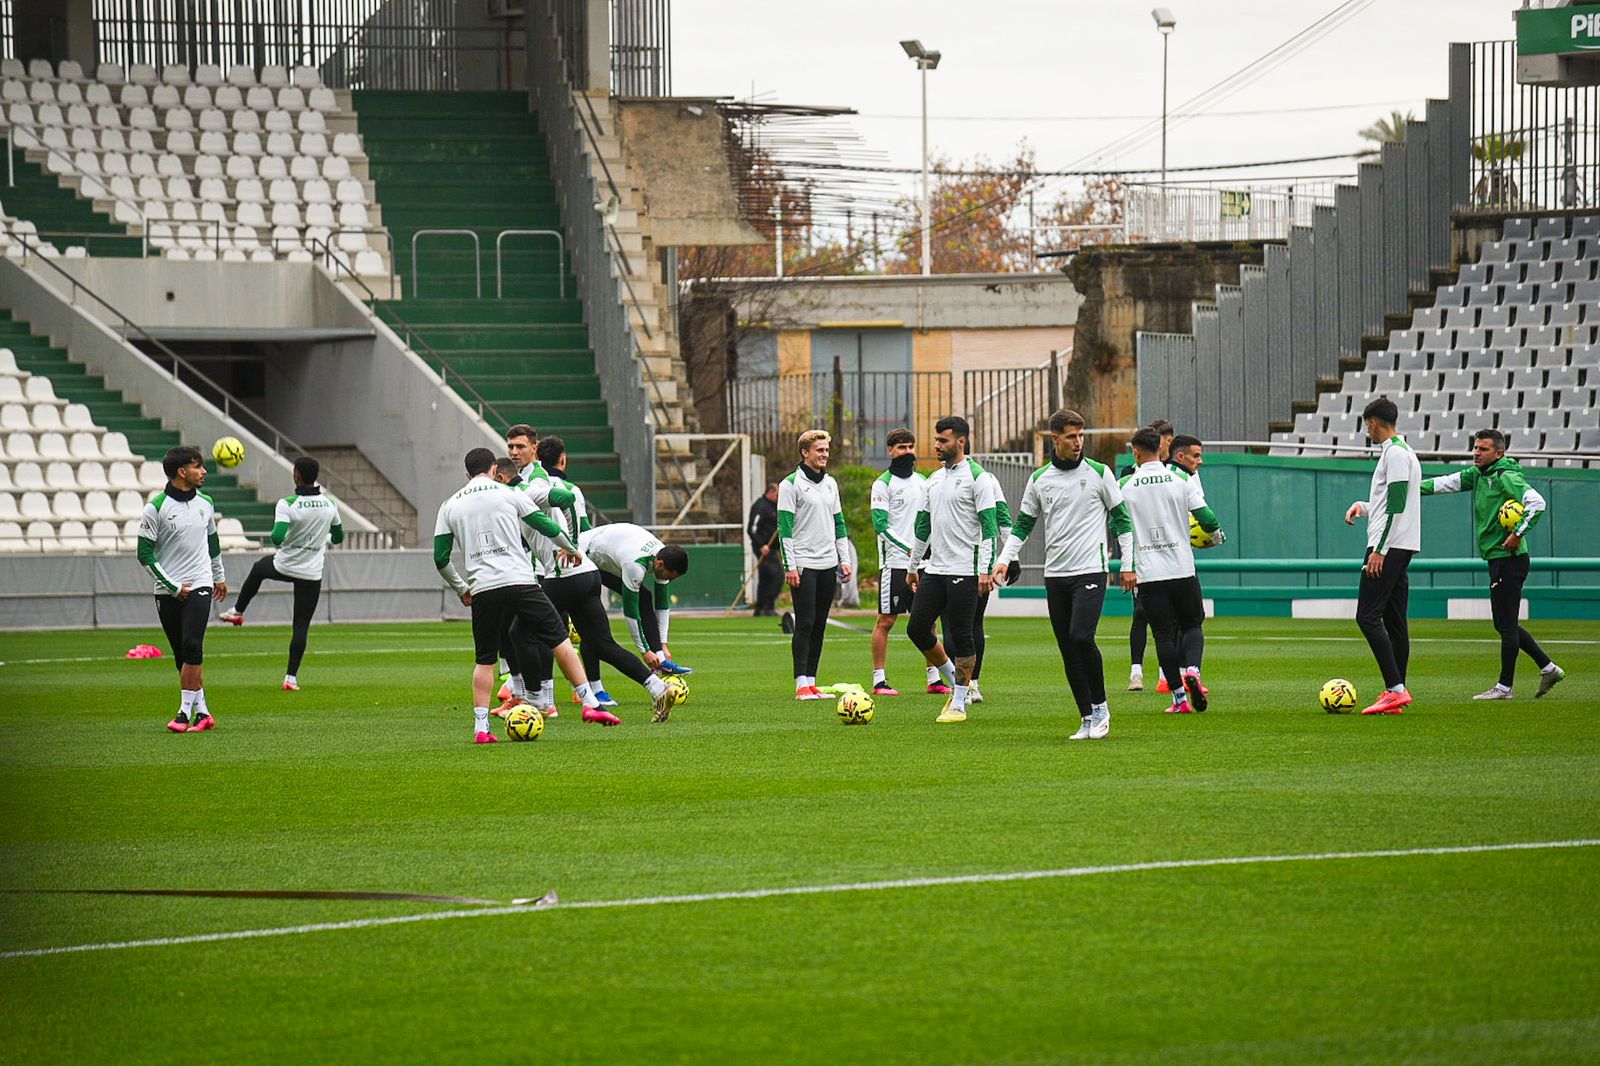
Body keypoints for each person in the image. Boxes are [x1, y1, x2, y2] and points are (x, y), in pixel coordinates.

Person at [435, 448, 647, 742]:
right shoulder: (510, 493)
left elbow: (441, 558)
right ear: (495, 470)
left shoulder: (449, 505)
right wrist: (571, 548)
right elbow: (545, 525)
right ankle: (590, 704)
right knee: (560, 639)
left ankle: (481, 728)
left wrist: (462, 588)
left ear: (467, 474)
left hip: (483, 588)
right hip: (520, 582)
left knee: (485, 660)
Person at [995, 409, 1132, 739]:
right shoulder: (1039, 479)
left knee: (1082, 636)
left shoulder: (1099, 472)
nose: (1078, 442)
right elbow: (1023, 524)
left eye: (1081, 436)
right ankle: (1086, 717)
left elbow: (1123, 520)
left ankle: (1101, 707)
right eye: (1071, 437)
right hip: (1056, 575)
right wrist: (1004, 558)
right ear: (1055, 439)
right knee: (1068, 647)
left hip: (1091, 570)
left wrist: (1128, 564)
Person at [529, 440, 682, 720]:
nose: (515, 452)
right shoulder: (563, 487)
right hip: (589, 572)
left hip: (563, 571)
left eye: (519, 447)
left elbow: (556, 513)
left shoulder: (523, 493)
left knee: (526, 629)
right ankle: (657, 688)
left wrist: (570, 545)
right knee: (601, 643)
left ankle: (539, 700)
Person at [1421, 428, 1565, 700]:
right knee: (1505, 624)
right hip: (1499, 559)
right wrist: (1409, 489)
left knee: (1506, 625)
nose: (1476, 453)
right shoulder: (1478, 474)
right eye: (1475, 448)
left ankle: (1504, 687)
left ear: (1499, 453)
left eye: (1483, 449)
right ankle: (1548, 668)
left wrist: (1517, 533)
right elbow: (1444, 483)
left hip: (1509, 559)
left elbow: (1537, 503)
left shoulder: (1505, 475)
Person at [1118, 426, 1224, 714]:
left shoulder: (1125, 485)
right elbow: (1206, 517)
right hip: (1182, 568)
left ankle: (1179, 699)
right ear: (1160, 448)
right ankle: (1193, 671)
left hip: (1149, 573)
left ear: (1136, 452)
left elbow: (1119, 524)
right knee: (1192, 625)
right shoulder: (1181, 479)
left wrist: (1127, 565)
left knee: (1163, 635)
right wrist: (1216, 538)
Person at [217, 456, 344, 690]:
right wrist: (319, 539)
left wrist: (293, 541)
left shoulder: (287, 504)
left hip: (285, 565)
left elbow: (276, 538)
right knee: (301, 625)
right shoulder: (330, 504)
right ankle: (290, 678)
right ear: (315, 476)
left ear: (296, 475)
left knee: (259, 569)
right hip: (311, 573)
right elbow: (338, 537)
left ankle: (237, 611)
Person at [906, 416, 1000, 724]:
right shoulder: (933, 479)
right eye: (936, 440)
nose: (936, 445)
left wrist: (985, 569)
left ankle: (959, 702)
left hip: (966, 569)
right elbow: (922, 527)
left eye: (943, 440)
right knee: (916, 628)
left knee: (961, 634)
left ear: (961, 441)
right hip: (935, 568)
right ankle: (956, 680)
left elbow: (989, 527)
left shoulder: (979, 478)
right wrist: (913, 566)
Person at [137, 445, 228, 733]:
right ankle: (204, 713)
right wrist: (173, 587)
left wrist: (218, 576)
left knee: (192, 645)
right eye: (197, 466)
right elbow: (144, 553)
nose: (204, 471)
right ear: (181, 472)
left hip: (200, 583)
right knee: (182, 656)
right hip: (168, 590)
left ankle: (183, 713)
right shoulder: (156, 507)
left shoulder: (206, 503)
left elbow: (212, 542)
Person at [1342, 395, 1421, 716]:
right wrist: (1364, 507)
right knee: (1394, 621)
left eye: (1367, 425)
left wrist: (1380, 550)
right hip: (1401, 544)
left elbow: (1397, 505)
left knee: (1367, 616)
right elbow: (1391, 502)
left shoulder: (1396, 454)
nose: (1367, 431)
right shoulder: (1404, 452)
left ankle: (1395, 689)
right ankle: (1396, 693)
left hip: (1388, 546)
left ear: (1373, 423)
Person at [579, 523, 693, 715]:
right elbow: (631, 612)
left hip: (604, 559)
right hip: (584, 557)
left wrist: (662, 647)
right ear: (659, 564)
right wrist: (644, 651)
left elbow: (662, 604)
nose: (669, 581)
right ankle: (595, 690)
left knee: (645, 598)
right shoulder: (635, 564)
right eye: (669, 577)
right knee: (594, 628)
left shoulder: (662, 554)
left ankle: (660, 659)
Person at [777, 429, 852, 700]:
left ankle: (812, 681)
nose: (825, 454)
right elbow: (785, 529)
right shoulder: (790, 484)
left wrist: (844, 559)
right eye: (819, 450)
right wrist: (790, 565)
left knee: (820, 623)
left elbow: (839, 523)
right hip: (804, 564)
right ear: (805, 452)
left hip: (828, 563)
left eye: (827, 450)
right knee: (805, 622)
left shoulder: (831, 483)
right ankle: (800, 684)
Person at [868, 428, 927, 696]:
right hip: (894, 563)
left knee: (927, 620)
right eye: (901, 447)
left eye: (910, 447)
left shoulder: (923, 482)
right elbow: (880, 526)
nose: (907, 452)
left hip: (924, 564)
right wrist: (909, 549)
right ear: (890, 450)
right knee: (886, 621)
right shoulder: (882, 484)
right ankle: (879, 680)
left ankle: (934, 679)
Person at [1121, 418, 1175, 692]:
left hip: (1170, 556)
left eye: (1170, 440)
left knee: (1170, 618)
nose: (1166, 444)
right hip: (1142, 556)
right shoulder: (1127, 475)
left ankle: (1167, 674)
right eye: (1164, 439)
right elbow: (1120, 519)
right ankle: (1136, 672)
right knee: (1141, 613)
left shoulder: (1174, 473)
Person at [747, 483, 782, 617]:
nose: (778, 498)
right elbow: (752, 528)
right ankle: (768, 606)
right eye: (777, 495)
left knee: (765, 578)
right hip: (764, 549)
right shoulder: (761, 506)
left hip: (772, 548)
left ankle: (760, 608)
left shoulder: (774, 507)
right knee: (776, 576)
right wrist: (761, 545)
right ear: (771, 493)